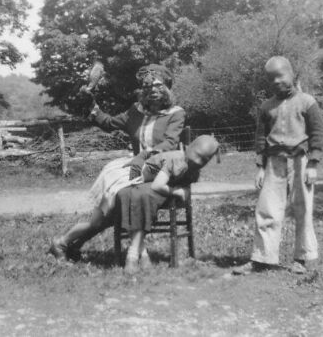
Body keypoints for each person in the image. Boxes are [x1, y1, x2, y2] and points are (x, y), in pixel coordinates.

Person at [49, 64, 185, 262]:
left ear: (167, 88)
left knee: (119, 204)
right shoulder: (136, 112)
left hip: (160, 171)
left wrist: (144, 156)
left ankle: (68, 243)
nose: (153, 91)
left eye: (158, 86)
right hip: (133, 169)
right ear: (143, 91)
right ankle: (63, 243)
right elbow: (110, 123)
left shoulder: (176, 113)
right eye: (148, 87)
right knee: (102, 216)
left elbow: (171, 143)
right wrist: (91, 104)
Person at [232, 56, 323, 276]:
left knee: (302, 209)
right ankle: (262, 258)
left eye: (280, 75)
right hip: (274, 162)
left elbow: (318, 134)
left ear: (292, 74)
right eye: (271, 78)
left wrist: (313, 163)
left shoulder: (307, 102)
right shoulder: (266, 107)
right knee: (267, 210)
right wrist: (260, 167)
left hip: (300, 161)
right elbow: (260, 139)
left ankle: (301, 258)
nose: (276, 81)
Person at [117, 135, 219, 273]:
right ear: (189, 149)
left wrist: (185, 190)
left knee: (141, 197)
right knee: (132, 196)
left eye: (203, 160)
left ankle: (137, 254)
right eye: (197, 156)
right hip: (139, 176)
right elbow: (158, 185)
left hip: (156, 183)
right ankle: (137, 254)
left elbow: (185, 186)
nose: (197, 161)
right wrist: (176, 191)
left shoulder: (193, 169)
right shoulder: (175, 160)